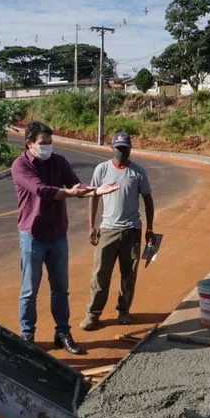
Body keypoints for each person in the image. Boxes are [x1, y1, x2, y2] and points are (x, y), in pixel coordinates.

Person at [11, 121, 118, 355]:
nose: (48, 147)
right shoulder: (20, 166)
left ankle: (62, 333)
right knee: (29, 290)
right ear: (29, 144)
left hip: (58, 234)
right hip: (33, 235)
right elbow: (41, 190)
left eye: (50, 142)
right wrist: (71, 193)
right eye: (43, 143)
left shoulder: (59, 161)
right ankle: (27, 336)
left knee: (60, 289)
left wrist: (94, 190)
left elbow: (74, 183)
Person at [79, 132, 155, 331]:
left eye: (125, 148)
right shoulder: (102, 170)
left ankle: (123, 311)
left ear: (130, 148)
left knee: (128, 275)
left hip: (132, 231)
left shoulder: (138, 172)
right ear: (112, 148)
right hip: (107, 231)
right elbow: (93, 196)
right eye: (118, 148)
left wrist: (150, 228)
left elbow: (148, 200)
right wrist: (91, 226)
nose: (122, 151)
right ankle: (92, 315)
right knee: (100, 275)